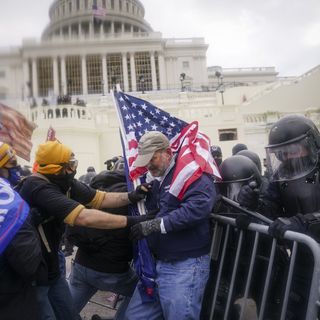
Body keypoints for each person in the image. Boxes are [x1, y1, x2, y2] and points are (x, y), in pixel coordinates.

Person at [18, 140, 153, 320]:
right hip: (33, 267)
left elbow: (100, 198)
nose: (73, 169)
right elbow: (84, 217)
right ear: (55, 168)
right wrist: (135, 220)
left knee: (69, 315)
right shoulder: (38, 187)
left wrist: (130, 196)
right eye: (70, 165)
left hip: (54, 263)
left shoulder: (65, 183)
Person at [125, 131, 216, 320]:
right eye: (146, 160)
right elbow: (163, 209)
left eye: (153, 158)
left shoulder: (191, 172)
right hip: (161, 263)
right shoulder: (164, 178)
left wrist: (156, 225)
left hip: (184, 264)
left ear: (168, 152)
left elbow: (198, 208)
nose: (149, 165)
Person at [237, 114, 320, 319]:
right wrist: (253, 203)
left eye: (294, 149)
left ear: (312, 144)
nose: (290, 157)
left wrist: (304, 222)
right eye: (284, 152)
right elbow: (271, 208)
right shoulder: (281, 174)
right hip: (303, 257)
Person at [68, 157, 138, 319]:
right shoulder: (130, 196)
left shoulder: (92, 187)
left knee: (65, 311)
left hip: (81, 262)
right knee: (144, 292)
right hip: (111, 269)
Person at [0, 142, 43, 320]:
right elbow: (29, 265)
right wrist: (29, 222)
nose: (16, 168)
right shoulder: (11, 206)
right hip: (10, 300)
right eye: (10, 164)